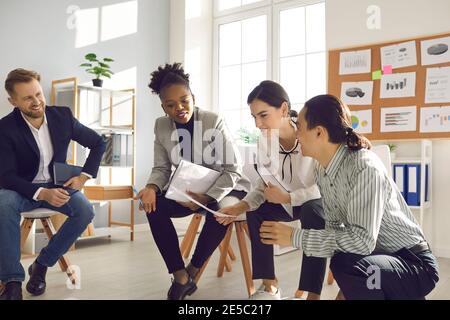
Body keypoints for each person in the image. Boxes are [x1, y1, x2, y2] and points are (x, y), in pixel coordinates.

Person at [260, 94, 440, 300]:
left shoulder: (363, 167)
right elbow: (337, 233)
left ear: (319, 132)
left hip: (414, 263)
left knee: (355, 268)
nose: (296, 134)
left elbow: (362, 242)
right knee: (342, 262)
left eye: (299, 127)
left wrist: (295, 237)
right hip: (380, 259)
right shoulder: (322, 169)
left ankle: (405, 290)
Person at [136, 63, 250, 300]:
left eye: (184, 100)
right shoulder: (161, 125)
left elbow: (233, 168)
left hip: (226, 186)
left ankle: (194, 269)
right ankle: (180, 276)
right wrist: (150, 188)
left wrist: (207, 197)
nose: (179, 108)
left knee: (222, 209)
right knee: (152, 205)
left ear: (193, 97)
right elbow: (161, 168)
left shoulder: (212, 121)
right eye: (170, 104)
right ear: (163, 107)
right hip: (188, 191)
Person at [0, 68, 106, 300]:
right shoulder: (4, 128)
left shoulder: (62, 116)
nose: (36, 101)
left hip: (58, 185)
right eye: (28, 97)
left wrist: (84, 176)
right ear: (13, 101)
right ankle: (12, 281)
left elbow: (98, 142)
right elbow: (6, 176)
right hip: (21, 189)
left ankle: (41, 264)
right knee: (3, 202)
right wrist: (42, 193)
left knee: (84, 210)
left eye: (38, 94)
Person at [217, 81, 326, 300]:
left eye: (263, 115)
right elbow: (264, 184)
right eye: (254, 117)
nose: (258, 123)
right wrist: (241, 205)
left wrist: (289, 196)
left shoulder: (312, 133)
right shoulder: (264, 142)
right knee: (257, 211)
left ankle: (313, 293)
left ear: (284, 109)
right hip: (286, 203)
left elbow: (323, 187)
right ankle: (269, 285)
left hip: (316, 203)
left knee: (312, 212)